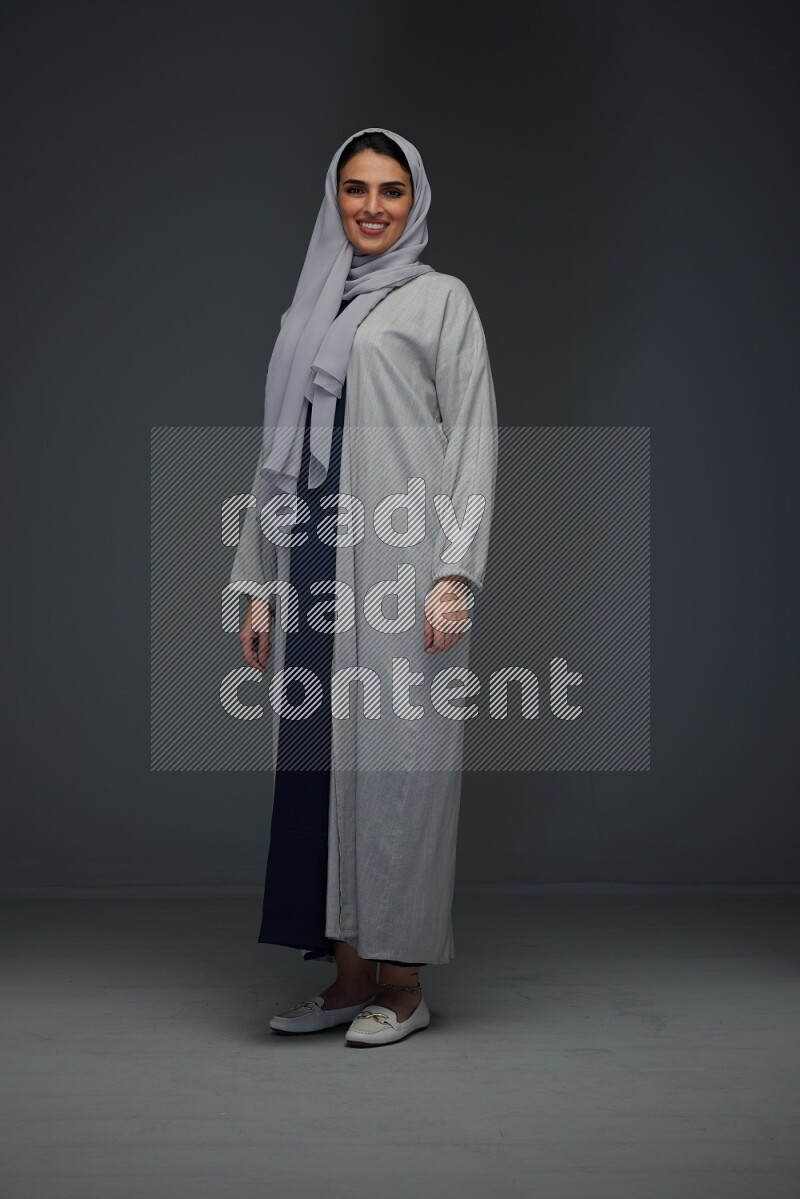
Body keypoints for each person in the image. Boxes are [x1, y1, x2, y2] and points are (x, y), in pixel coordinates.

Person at [229, 127, 498, 1046]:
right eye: (356, 188)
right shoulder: (309, 309)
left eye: (391, 190)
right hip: (312, 558)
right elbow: (274, 460)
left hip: (401, 566)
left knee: (399, 770)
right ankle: (347, 977)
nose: (372, 207)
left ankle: (404, 983)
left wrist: (456, 572)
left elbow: (474, 439)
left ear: (414, 200)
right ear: (334, 197)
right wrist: (258, 586)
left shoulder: (440, 300)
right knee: (322, 770)